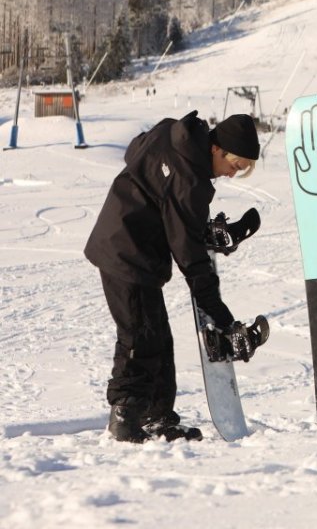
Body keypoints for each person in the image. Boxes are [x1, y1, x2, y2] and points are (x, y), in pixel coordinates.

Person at [85, 112, 263, 443]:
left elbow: (134, 151)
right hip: (127, 252)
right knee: (140, 337)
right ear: (216, 150)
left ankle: (157, 416)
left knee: (159, 338)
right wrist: (217, 309)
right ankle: (125, 415)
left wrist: (172, 211)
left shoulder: (170, 131)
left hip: (127, 243)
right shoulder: (190, 181)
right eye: (234, 166)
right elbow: (189, 256)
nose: (231, 175)